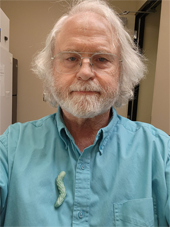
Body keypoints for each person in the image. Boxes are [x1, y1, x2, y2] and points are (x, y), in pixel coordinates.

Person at [0, 0, 170, 226]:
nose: (85, 72)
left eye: (102, 59)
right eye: (71, 58)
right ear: (51, 71)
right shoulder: (10, 148)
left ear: (122, 71)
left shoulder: (160, 152)